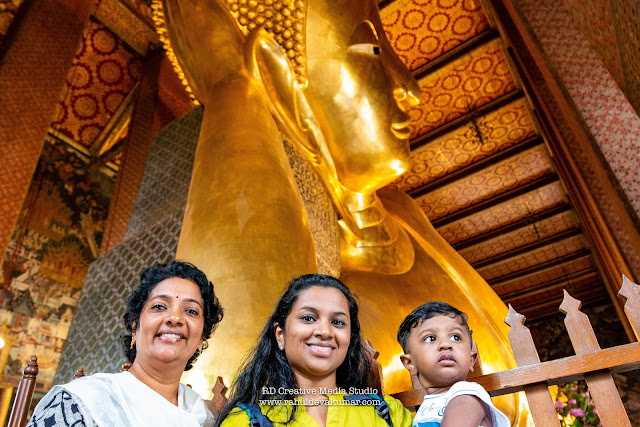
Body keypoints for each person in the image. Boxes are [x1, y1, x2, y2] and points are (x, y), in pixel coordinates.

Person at [27, 261, 223, 427]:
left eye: (191, 311)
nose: (175, 318)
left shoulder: (207, 418)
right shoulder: (81, 402)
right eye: (159, 306)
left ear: (202, 338)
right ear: (134, 326)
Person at [216, 274, 413, 427]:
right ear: (280, 334)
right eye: (308, 318)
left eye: (338, 322)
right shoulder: (246, 421)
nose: (325, 331)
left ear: (349, 338)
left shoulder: (387, 413)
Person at [397, 302, 510, 427]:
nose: (445, 344)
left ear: (471, 359)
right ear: (410, 363)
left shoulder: (467, 394)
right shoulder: (428, 406)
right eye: (430, 338)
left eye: (455, 337)